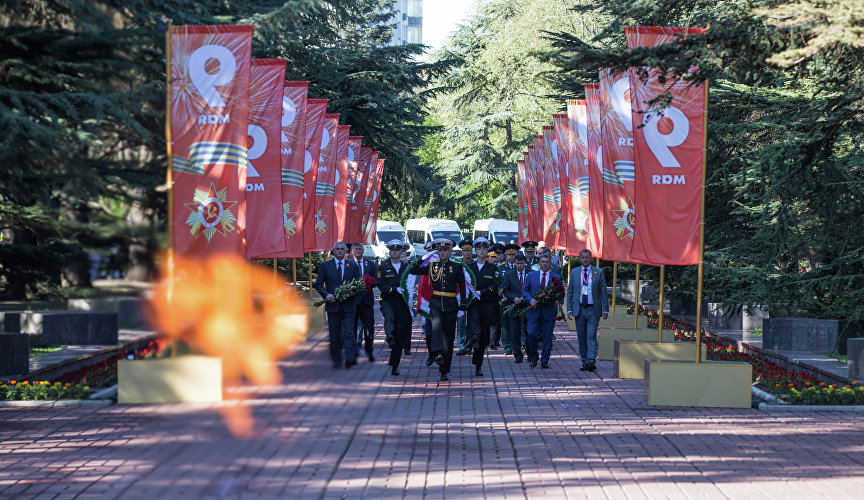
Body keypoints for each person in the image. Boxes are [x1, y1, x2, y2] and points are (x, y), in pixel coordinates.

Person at [409, 238, 467, 381]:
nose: (442, 253)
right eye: (439, 250)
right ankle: (437, 353)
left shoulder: (457, 266)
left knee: (448, 336)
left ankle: (444, 369)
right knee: (436, 328)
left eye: (445, 250)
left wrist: (463, 304)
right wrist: (425, 256)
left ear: (450, 251)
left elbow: (463, 286)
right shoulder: (432, 265)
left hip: (451, 304)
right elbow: (413, 269)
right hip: (435, 304)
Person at [315, 241, 362, 368]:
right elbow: (318, 284)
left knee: (349, 332)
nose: (340, 251)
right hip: (333, 305)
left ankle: (350, 358)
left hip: (348, 305)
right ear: (334, 251)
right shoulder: (325, 265)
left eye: (343, 249)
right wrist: (326, 295)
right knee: (334, 334)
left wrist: (354, 291)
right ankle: (336, 360)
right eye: (338, 249)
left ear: (346, 251)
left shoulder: (352, 266)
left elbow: (359, 284)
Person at [566, 249, 609, 372]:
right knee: (582, 336)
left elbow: (603, 291)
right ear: (579, 259)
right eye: (583, 257)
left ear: (591, 259)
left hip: (593, 309)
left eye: (587, 257)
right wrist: (569, 308)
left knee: (591, 335)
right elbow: (570, 292)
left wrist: (605, 309)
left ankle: (591, 360)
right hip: (579, 308)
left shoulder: (598, 272)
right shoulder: (574, 272)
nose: (585, 259)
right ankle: (584, 361)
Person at [377, 240, 412, 375]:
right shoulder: (383, 266)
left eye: (398, 250)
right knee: (390, 318)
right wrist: (393, 289)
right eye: (393, 250)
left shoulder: (406, 266)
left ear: (401, 251)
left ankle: (394, 362)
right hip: (388, 300)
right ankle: (389, 335)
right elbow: (380, 284)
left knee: (400, 334)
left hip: (402, 303)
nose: (395, 252)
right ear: (389, 251)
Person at [466, 237, 500, 376]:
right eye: (479, 249)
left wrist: (481, 292)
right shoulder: (469, 267)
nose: (481, 251)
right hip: (473, 303)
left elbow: (495, 286)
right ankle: (473, 337)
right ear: (475, 251)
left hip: (486, 304)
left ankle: (478, 364)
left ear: (487, 251)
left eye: (484, 249)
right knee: (474, 324)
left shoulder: (492, 268)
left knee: (483, 336)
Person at [521, 254, 561, 368]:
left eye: (547, 262)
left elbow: (560, 293)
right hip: (534, 311)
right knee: (531, 334)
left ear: (550, 264)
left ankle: (544, 360)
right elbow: (524, 290)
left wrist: (552, 296)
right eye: (543, 262)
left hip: (548, 311)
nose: (545, 264)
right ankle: (533, 356)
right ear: (539, 263)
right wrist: (530, 299)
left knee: (547, 337)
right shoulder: (531, 275)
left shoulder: (556, 277)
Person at [350, 242, 378, 362]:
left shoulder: (370, 264)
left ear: (363, 251)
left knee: (369, 327)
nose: (358, 251)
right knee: (353, 327)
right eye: (356, 249)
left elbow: (376, 279)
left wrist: (370, 282)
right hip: (353, 301)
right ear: (352, 251)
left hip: (367, 301)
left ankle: (369, 350)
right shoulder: (348, 264)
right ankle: (354, 350)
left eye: (360, 249)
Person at [500, 253, 529, 363]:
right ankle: (517, 354)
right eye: (517, 264)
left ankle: (529, 352)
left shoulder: (530, 273)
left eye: (522, 263)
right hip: (514, 306)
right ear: (515, 263)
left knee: (528, 331)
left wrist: (528, 297)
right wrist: (514, 298)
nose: (520, 266)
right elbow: (506, 290)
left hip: (527, 306)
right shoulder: (509, 274)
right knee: (515, 332)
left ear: (525, 263)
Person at [455, 239, 474, 355]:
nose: (467, 253)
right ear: (461, 252)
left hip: (472, 297)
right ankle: (461, 345)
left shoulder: (475, 264)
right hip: (459, 297)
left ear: (472, 251)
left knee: (471, 322)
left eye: (469, 251)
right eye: (464, 251)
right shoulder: (457, 264)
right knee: (460, 321)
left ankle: (468, 345)